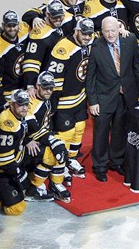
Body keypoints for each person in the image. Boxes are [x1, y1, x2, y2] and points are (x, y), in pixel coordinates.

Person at [86, 16, 139, 182]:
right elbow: (90, 76)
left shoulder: (130, 40)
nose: (110, 34)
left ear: (119, 29)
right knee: (100, 134)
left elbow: (138, 66)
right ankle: (99, 166)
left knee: (120, 131)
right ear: (101, 31)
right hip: (103, 98)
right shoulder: (96, 46)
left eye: (113, 30)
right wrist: (92, 101)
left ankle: (116, 161)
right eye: (106, 31)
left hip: (125, 95)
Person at [47, 18, 95, 183]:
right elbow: (55, 80)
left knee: (80, 128)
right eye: (84, 33)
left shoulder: (90, 42)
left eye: (90, 34)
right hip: (64, 102)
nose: (87, 37)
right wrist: (53, 105)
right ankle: (61, 164)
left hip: (80, 97)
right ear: (76, 31)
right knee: (65, 135)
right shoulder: (63, 48)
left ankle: (70, 159)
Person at [24, 71, 70, 202]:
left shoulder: (48, 99)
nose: (48, 91)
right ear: (37, 86)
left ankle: (56, 183)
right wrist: (54, 142)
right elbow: (33, 129)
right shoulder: (29, 101)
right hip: (24, 144)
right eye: (45, 87)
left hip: (38, 138)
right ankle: (33, 187)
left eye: (51, 88)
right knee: (52, 152)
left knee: (62, 144)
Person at [0, 89, 31, 215]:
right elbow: (3, 159)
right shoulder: (7, 123)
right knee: (16, 208)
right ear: (11, 105)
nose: (24, 108)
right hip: (0, 168)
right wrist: (17, 173)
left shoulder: (17, 115)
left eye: (26, 104)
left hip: (14, 159)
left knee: (43, 152)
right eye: (20, 104)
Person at [22, 0, 68, 99]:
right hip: (45, 86)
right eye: (54, 16)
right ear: (47, 14)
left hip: (58, 83)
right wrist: (30, 86)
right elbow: (31, 62)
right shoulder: (39, 33)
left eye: (60, 16)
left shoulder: (61, 23)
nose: (58, 19)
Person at [0, 10, 30, 109]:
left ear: (19, 24)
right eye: (8, 26)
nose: (12, 29)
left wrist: (35, 18)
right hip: (7, 95)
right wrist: (3, 103)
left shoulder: (25, 30)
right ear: (3, 25)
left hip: (24, 91)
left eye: (14, 25)